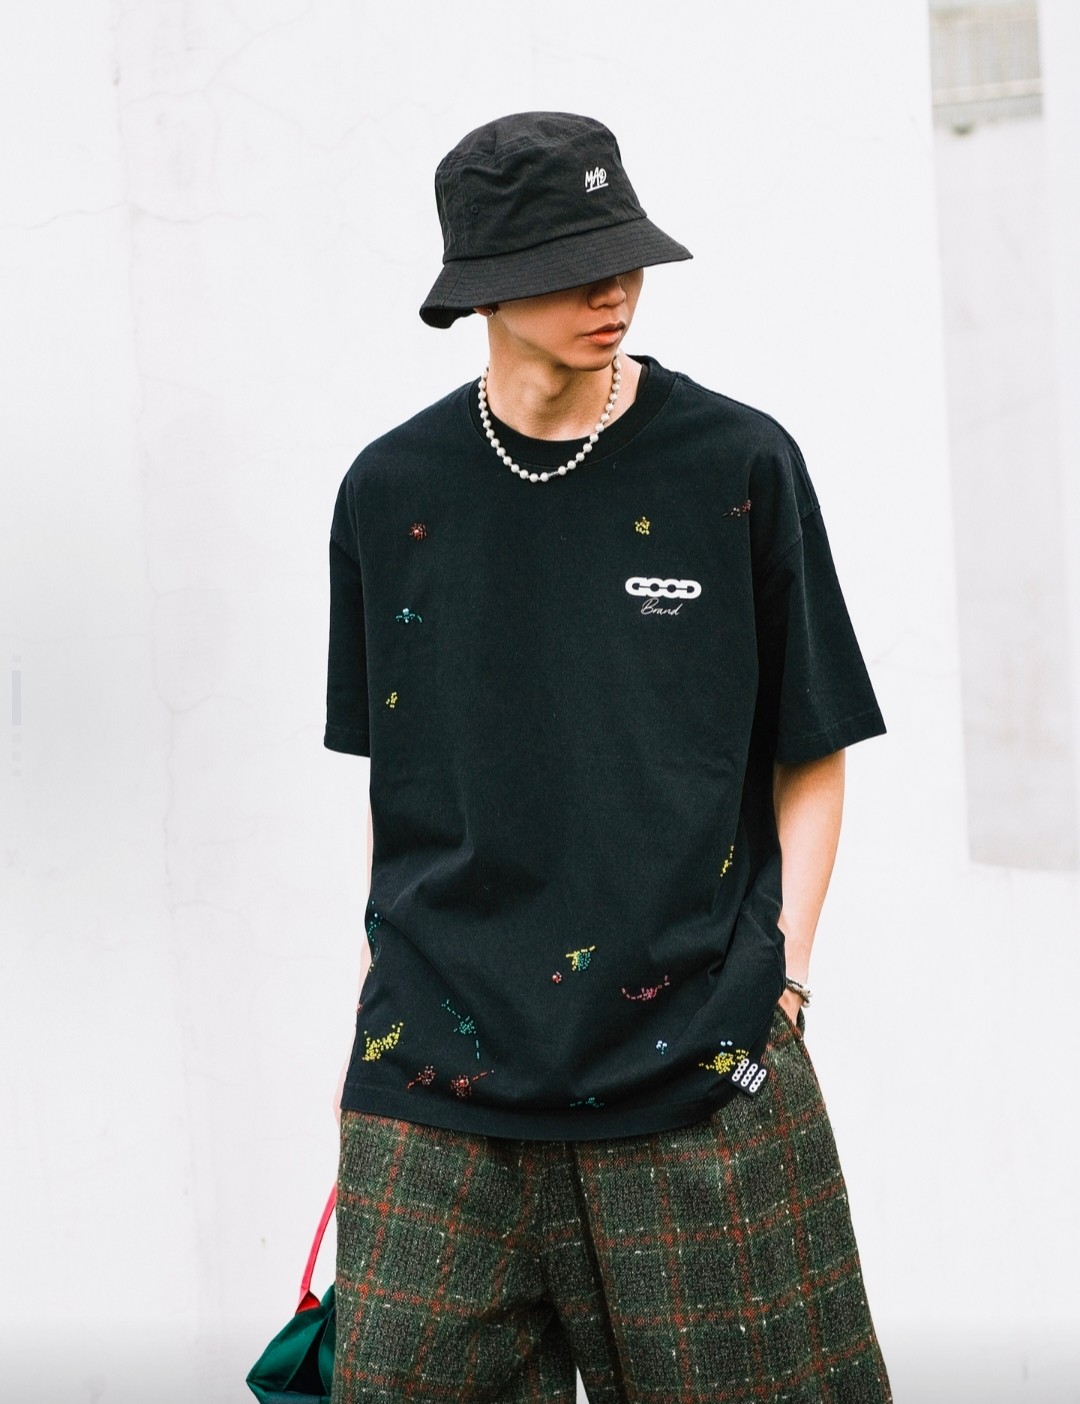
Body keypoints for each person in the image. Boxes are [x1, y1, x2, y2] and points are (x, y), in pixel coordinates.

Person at [324, 110, 892, 1402]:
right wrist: (373, 1008)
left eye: (624, 255)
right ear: (480, 286)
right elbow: (400, 783)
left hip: (700, 1073)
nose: (614, 290)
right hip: (436, 1091)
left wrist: (786, 983)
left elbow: (811, 749)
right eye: (573, 265)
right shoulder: (388, 491)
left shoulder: (737, 463)